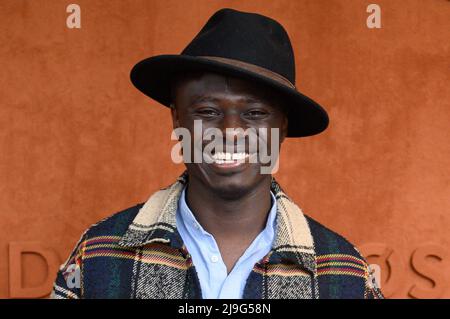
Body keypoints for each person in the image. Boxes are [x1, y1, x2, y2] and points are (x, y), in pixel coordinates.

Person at [51, 8, 383, 299]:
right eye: (207, 111)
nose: (229, 132)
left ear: (282, 128)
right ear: (177, 119)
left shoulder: (345, 273)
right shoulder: (97, 255)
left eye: (255, 113)